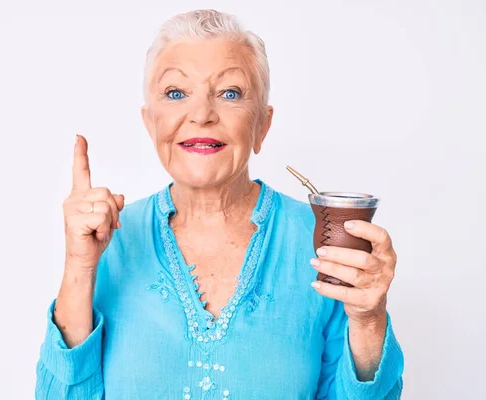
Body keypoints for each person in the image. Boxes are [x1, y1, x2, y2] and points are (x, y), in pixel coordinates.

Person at [35, 9, 404, 399]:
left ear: (262, 124)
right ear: (151, 123)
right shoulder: (108, 238)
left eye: (230, 93)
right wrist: (79, 267)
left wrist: (368, 318)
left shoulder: (320, 244)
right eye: (176, 93)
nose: (201, 115)